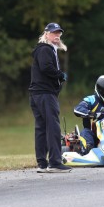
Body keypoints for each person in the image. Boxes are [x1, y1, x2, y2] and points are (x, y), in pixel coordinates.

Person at [29, 22, 72, 173]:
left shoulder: (44, 49)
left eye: (59, 32)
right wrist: (60, 75)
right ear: (46, 34)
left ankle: (42, 163)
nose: (57, 35)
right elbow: (46, 67)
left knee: (41, 127)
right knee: (53, 126)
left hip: (37, 94)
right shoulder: (45, 49)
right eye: (54, 33)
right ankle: (54, 162)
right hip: (45, 94)